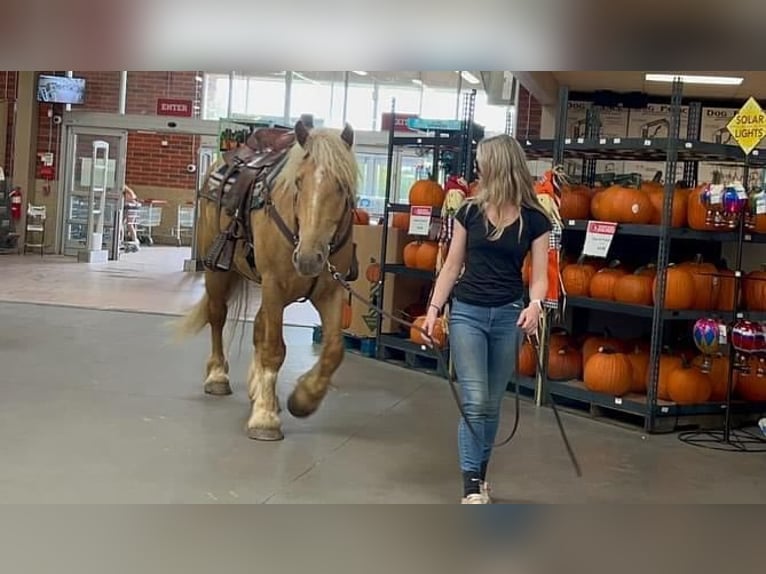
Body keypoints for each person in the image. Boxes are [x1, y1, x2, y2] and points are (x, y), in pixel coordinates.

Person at [423, 133, 552, 504]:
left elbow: (541, 276)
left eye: (482, 160)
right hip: (467, 314)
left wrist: (535, 305)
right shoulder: (468, 211)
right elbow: (451, 266)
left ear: (497, 165)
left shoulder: (535, 220)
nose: (477, 166)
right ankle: (470, 489)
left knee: (492, 403)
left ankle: (480, 479)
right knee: (476, 400)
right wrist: (434, 311)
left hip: (509, 316)